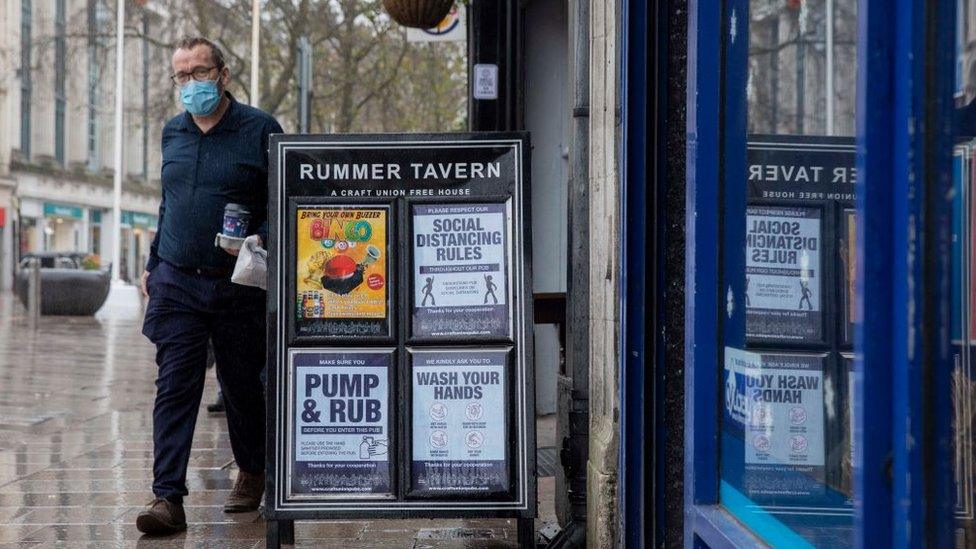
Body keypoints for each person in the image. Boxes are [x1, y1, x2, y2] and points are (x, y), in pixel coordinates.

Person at [136, 36, 282, 536]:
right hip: (177, 278)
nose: (191, 83)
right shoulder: (172, 133)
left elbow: (284, 199)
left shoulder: (260, 129)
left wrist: (259, 235)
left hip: (238, 282)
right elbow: (167, 201)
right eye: (182, 75)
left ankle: (254, 470)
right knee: (175, 384)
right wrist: (153, 263)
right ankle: (167, 498)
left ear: (222, 73)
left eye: (200, 72)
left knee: (242, 384)